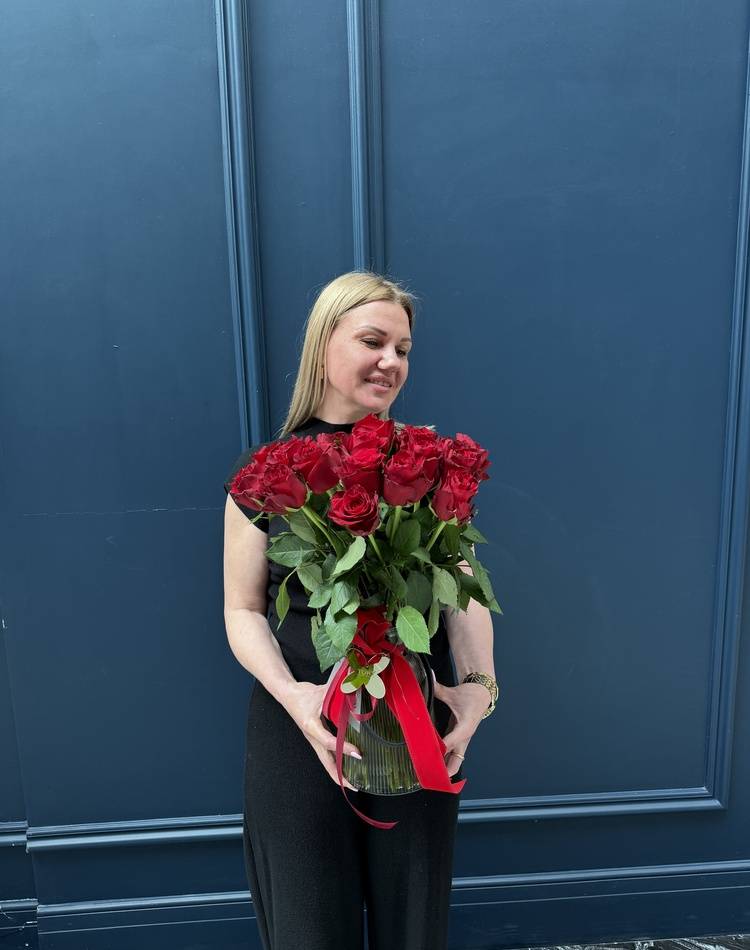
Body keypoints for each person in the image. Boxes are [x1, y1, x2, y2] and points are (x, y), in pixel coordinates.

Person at [222, 271, 497, 950]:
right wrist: (293, 696)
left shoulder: (429, 464)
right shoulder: (265, 472)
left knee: (415, 928)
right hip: (300, 728)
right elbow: (243, 609)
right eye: (373, 341)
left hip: (415, 726)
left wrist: (479, 688)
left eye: (403, 349)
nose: (391, 362)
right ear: (324, 345)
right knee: (308, 929)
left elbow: (461, 588)